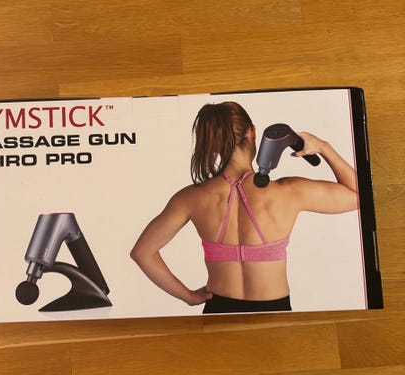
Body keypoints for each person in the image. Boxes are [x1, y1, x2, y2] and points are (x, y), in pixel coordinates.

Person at [130, 101, 358, 314]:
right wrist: (324, 147)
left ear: (213, 144)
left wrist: (188, 296)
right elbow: (359, 196)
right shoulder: (289, 192)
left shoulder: (191, 198)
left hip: (217, 311)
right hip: (274, 314)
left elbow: (142, 252)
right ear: (252, 132)